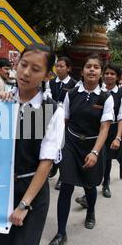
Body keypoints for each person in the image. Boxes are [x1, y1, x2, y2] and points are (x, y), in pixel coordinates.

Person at [0, 44, 64, 245]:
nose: (26, 72)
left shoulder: (50, 110)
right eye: (23, 64)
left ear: (47, 75)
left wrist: (24, 204)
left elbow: (46, 162)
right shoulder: (1, 102)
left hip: (30, 192)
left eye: (35, 69)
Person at [46, 54, 113, 245]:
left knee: (90, 186)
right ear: (82, 71)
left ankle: (90, 210)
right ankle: (60, 233)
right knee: (66, 186)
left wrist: (94, 152)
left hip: (92, 146)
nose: (92, 70)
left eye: (96, 67)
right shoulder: (71, 94)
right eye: (88, 66)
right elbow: (63, 122)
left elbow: (104, 128)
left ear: (100, 73)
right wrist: (56, 146)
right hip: (71, 144)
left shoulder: (105, 98)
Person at [46, 57, 78, 190]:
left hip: (66, 120)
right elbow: (47, 98)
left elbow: (74, 103)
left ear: (69, 68)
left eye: (61, 66)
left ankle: (62, 177)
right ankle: (52, 166)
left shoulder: (74, 84)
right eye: (57, 66)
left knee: (63, 147)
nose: (58, 69)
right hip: (51, 118)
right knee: (51, 143)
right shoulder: (50, 82)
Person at [99, 63, 122, 198]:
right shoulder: (99, 90)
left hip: (113, 129)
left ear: (117, 77)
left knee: (107, 158)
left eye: (112, 74)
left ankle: (106, 184)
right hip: (97, 128)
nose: (109, 76)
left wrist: (118, 137)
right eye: (107, 73)